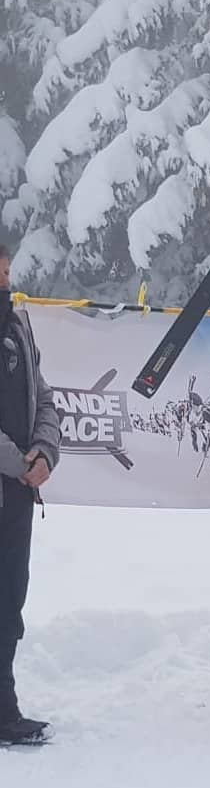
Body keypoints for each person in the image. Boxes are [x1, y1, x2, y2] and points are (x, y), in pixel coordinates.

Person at [0, 243, 60, 744]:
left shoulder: (19, 324)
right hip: (12, 478)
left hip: (18, 496)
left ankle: (4, 707)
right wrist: (17, 463)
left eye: (5, 270)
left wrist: (43, 454)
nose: (3, 278)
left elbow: (45, 397)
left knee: (8, 602)